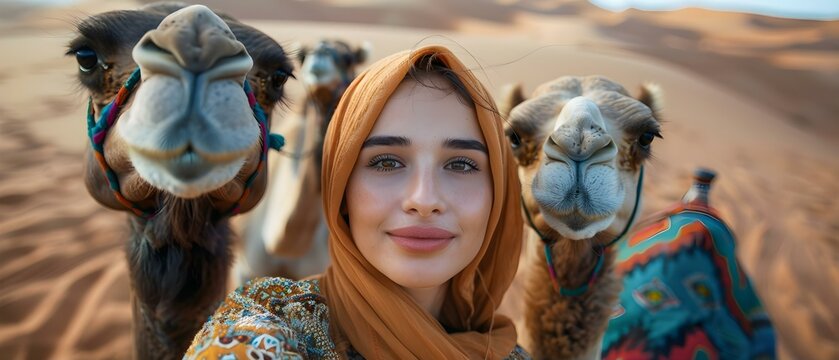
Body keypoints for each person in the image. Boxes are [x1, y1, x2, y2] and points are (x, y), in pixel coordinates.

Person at [185, 45, 527, 359]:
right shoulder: (259, 337)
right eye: (387, 162)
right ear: (341, 185)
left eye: (461, 164)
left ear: (499, 193)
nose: (424, 200)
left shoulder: (505, 353)